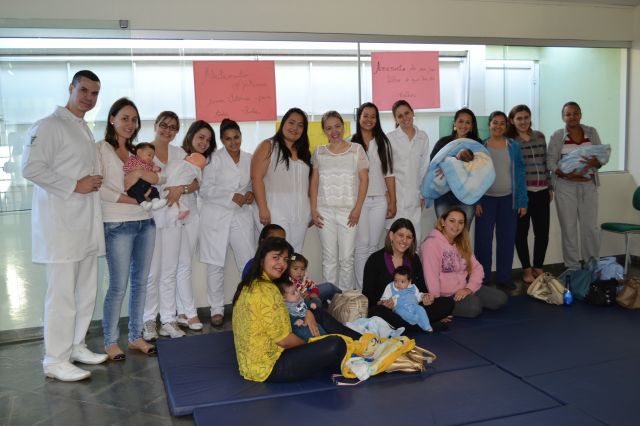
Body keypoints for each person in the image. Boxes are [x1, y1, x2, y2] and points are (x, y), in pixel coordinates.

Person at [22, 70, 108, 381]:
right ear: (71, 88)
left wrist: (85, 184)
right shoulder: (49, 125)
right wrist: (74, 185)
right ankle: (54, 359)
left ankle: (75, 346)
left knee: (86, 291)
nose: (89, 98)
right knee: (61, 296)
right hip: (61, 227)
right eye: (83, 90)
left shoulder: (82, 128)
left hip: (84, 224)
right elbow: (30, 168)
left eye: (94, 93)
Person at [232, 237, 359, 382]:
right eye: (276, 257)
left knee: (315, 313)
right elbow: (284, 341)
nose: (282, 264)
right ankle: (358, 347)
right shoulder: (266, 290)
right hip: (270, 365)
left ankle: (360, 340)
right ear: (262, 259)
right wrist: (312, 346)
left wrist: (308, 313)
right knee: (336, 344)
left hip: (256, 360)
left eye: (285, 259)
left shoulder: (254, 282)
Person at [97, 97, 157, 360]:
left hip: (145, 222)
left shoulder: (138, 153)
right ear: (112, 119)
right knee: (118, 286)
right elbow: (99, 187)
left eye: (134, 120)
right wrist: (132, 200)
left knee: (140, 283)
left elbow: (158, 177)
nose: (130, 124)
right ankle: (110, 341)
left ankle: (135, 337)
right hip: (117, 223)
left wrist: (144, 178)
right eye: (124, 118)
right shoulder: (101, 149)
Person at [143, 112, 196, 340]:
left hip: (174, 218)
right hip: (151, 218)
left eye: (173, 127)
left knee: (169, 271)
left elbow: (196, 181)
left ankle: (168, 319)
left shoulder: (180, 153)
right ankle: (148, 320)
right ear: (155, 125)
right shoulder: (143, 151)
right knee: (152, 273)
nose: (167, 130)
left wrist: (180, 190)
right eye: (163, 125)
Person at [200, 118, 255, 327]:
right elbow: (205, 189)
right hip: (217, 216)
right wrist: (230, 196)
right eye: (228, 139)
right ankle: (216, 309)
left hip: (241, 215)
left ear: (241, 136)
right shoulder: (213, 159)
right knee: (215, 264)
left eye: (236, 137)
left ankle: (248, 305)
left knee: (248, 262)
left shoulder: (249, 158)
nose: (233, 142)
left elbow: (253, 183)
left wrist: (250, 194)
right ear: (222, 140)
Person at [310, 111, 369, 290]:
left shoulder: (356, 149)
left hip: (348, 212)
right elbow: (314, 182)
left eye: (337, 126)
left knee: (346, 258)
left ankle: (345, 298)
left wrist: (357, 208)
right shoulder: (319, 152)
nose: (334, 131)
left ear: (343, 126)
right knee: (329, 259)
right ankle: (330, 298)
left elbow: (364, 180)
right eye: (329, 128)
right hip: (324, 212)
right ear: (324, 131)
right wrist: (313, 209)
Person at [362, 218, 454, 331]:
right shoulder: (375, 259)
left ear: (412, 240)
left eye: (409, 237)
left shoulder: (414, 259)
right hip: (388, 311)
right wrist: (382, 302)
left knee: (448, 303)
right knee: (377, 312)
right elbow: (367, 295)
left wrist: (426, 297)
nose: (404, 240)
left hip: (412, 308)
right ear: (391, 235)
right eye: (400, 235)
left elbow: (421, 289)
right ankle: (423, 325)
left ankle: (411, 326)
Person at [421, 207, 507, 318]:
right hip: (446, 296)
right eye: (452, 221)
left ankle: (471, 299)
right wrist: (438, 309)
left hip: (464, 288)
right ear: (442, 222)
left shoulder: (461, 243)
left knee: (500, 299)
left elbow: (477, 268)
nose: (456, 226)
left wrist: (468, 289)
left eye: (460, 222)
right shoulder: (431, 244)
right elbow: (431, 277)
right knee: (474, 307)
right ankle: (468, 302)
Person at [475, 111, 527, 291]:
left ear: (506, 126)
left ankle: (504, 277)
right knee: (483, 241)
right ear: (489, 125)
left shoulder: (513, 146)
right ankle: (482, 278)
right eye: (494, 122)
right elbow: (474, 175)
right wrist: (476, 201)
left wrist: (522, 201)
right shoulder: (480, 147)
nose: (498, 126)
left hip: (508, 200)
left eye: (502, 123)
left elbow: (520, 173)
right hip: (486, 201)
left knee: (507, 240)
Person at [547, 102, 603, 271]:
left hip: (588, 186)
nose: (572, 117)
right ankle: (573, 268)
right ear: (563, 117)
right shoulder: (557, 136)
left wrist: (595, 162)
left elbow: (601, 158)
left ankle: (592, 266)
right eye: (568, 114)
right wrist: (564, 174)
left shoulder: (591, 132)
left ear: (580, 114)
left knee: (590, 229)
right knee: (569, 229)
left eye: (575, 113)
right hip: (565, 187)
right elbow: (550, 162)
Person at [251, 107, 312, 253]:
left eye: (300, 125)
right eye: (291, 122)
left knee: (294, 255)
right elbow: (256, 178)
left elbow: (309, 185)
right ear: (283, 123)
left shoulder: (304, 153)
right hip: (274, 211)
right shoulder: (268, 146)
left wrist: (310, 211)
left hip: (300, 214)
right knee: (275, 255)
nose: (295, 128)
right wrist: (263, 208)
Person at [175, 120, 216, 331]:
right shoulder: (179, 156)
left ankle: (182, 311)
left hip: (193, 216)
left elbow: (198, 187)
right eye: (201, 137)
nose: (204, 142)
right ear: (191, 135)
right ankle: (190, 313)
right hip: (176, 215)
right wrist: (187, 187)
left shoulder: (204, 162)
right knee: (180, 265)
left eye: (208, 140)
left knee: (182, 264)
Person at [351, 102, 396, 290]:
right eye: (365, 116)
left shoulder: (383, 142)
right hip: (359, 201)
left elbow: (389, 174)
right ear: (359, 118)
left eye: (373, 116)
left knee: (374, 246)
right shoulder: (350, 143)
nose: (369, 120)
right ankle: (363, 290)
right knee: (361, 246)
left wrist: (393, 201)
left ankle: (372, 289)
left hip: (380, 201)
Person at [507, 105, 552, 283]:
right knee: (521, 233)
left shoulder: (539, 136)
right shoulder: (510, 142)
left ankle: (538, 267)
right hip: (523, 194)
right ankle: (526, 269)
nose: (523, 121)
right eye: (519, 118)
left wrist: (550, 187)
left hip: (542, 192)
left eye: (526, 117)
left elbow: (545, 163)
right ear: (512, 121)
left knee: (542, 233)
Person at [385, 100, 429, 240]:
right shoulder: (390, 138)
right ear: (396, 119)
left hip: (415, 198)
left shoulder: (423, 137)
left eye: (407, 113)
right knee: (395, 240)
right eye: (400, 116)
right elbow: (386, 170)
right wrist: (388, 196)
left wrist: (422, 195)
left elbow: (424, 168)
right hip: (395, 197)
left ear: (412, 112)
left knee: (414, 239)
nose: (405, 118)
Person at [430, 108, 482, 224]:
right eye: (460, 121)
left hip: (467, 198)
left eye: (468, 122)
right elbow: (432, 166)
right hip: (443, 196)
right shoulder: (443, 142)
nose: (463, 125)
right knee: (444, 230)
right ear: (454, 123)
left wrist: (478, 201)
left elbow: (480, 174)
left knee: (463, 232)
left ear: (472, 126)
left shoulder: (477, 145)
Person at [379, 266, 432, 332]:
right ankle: (414, 320)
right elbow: (385, 297)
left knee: (421, 309)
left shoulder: (413, 287)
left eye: (402, 281)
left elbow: (418, 296)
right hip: (399, 307)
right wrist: (384, 301)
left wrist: (423, 296)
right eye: (396, 281)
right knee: (400, 312)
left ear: (409, 281)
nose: (398, 284)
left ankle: (427, 326)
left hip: (413, 306)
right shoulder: (390, 287)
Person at [122, 143, 166, 210]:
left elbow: (155, 174)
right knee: (137, 192)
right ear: (139, 152)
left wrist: (156, 169)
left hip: (146, 185)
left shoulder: (150, 164)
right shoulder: (133, 160)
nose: (151, 158)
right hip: (135, 185)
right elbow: (125, 168)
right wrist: (134, 168)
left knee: (154, 190)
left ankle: (156, 202)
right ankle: (144, 204)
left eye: (152, 157)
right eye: (149, 155)